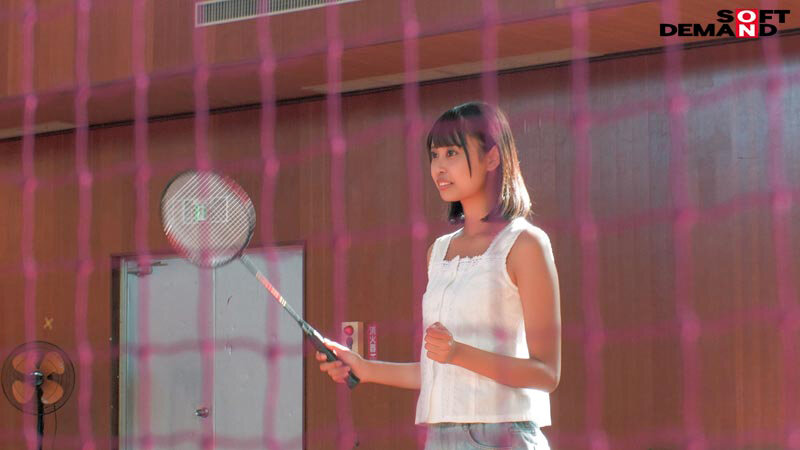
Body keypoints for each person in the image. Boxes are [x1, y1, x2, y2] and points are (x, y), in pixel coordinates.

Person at [317, 101, 561, 449]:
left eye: (452, 153)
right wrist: (364, 368)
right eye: (434, 155)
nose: (439, 168)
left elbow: (546, 373)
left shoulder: (525, 244)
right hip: (440, 437)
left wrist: (458, 353)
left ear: (492, 157)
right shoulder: (439, 252)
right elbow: (438, 368)